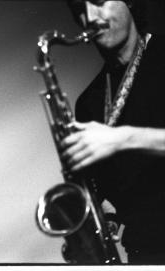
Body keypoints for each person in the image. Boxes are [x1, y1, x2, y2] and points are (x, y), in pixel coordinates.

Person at [61, 0, 165, 264]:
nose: (90, 17)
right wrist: (104, 216)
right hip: (144, 252)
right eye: (79, 11)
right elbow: (112, 188)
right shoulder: (88, 102)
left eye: (98, 2)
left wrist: (122, 138)